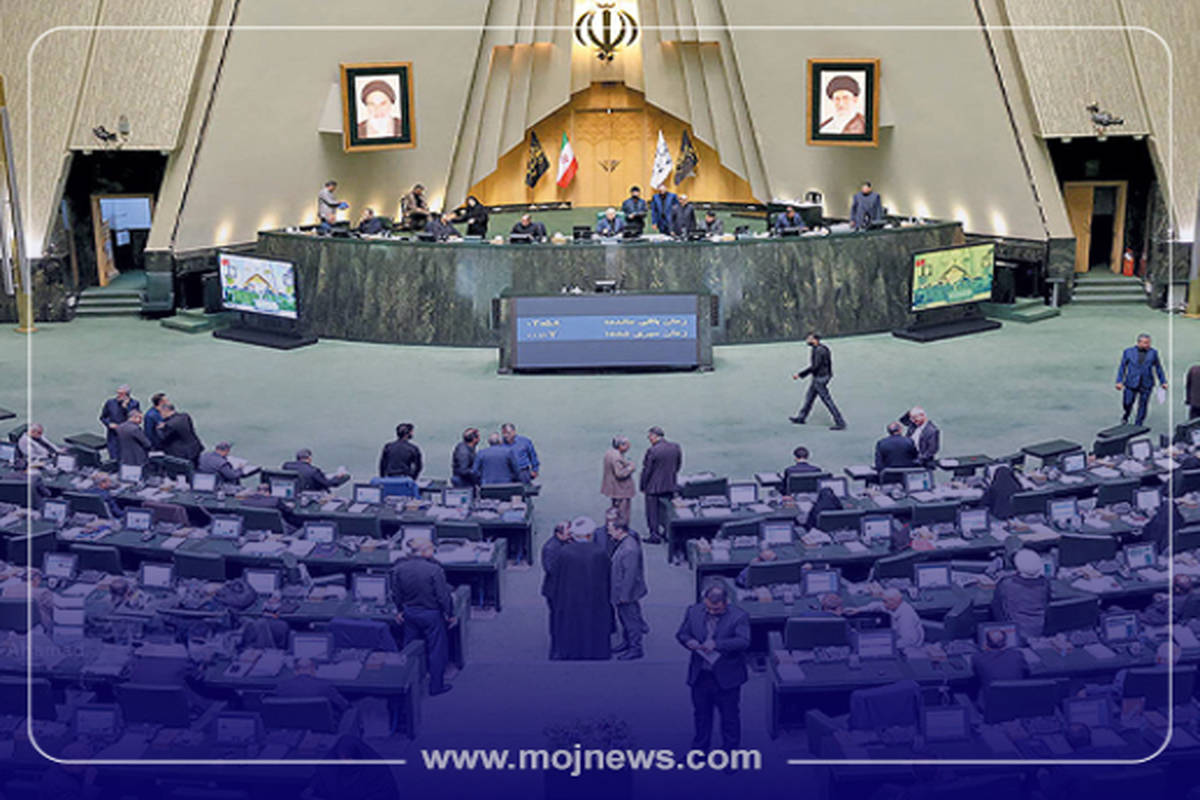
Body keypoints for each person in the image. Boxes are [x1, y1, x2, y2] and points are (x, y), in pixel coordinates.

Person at [676, 582, 751, 753]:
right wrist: (688, 641)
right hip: (701, 675)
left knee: (729, 717)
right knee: (701, 715)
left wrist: (717, 644)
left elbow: (743, 641)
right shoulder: (693, 611)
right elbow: (682, 633)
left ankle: (730, 752)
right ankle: (700, 750)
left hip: (727, 677)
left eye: (716, 609)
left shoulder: (739, 616)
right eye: (708, 608)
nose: (711, 612)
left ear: (726, 603)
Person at [388, 536, 454, 695]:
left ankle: (406, 684)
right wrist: (450, 614)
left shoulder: (398, 568)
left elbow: (396, 594)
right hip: (431, 614)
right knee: (436, 650)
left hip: (410, 613)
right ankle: (436, 686)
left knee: (409, 649)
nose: (434, 550)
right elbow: (442, 596)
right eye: (431, 548)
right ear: (423, 552)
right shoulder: (434, 570)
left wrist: (400, 610)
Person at [547, 523, 612, 659]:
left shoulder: (565, 552)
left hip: (570, 596)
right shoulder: (599, 552)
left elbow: (556, 573)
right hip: (594, 595)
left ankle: (569, 651)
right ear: (590, 535)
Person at [790, 332, 847, 430]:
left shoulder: (820, 351)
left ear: (815, 340)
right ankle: (801, 417)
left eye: (809, 339)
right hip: (819, 377)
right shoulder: (818, 349)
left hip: (820, 378)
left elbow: (815, 366)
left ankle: (840, 422)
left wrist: (800, 374)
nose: (807, 340)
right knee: (809, 398)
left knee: (827, 401)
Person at [992, 548, 1051, 639]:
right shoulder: (1045, 584)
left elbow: (996, 608)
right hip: (1038, 631)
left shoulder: (1007, 584)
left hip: (1014, 634)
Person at [610, 522, 648, 660]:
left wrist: (624, 595)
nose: (609, 532)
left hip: (626, 594)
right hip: (622, 592)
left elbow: (630, 575)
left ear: (620, 530)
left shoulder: (629, 549)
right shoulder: (625, 544)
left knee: (631, 621)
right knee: (625, 619)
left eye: (611, 530)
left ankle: (635, 648)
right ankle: (627, 642)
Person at [640, 426, 682, 546]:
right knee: (668, 511)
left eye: (650, 436)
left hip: (653, 487)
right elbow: (678, 465)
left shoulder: (652, 451)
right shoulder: (675, 447)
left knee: (652, 512)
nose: (649, 438)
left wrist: (643, 485)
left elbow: (647, 470)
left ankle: (655, 535)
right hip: (670, 484)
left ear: (655, 436)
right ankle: (667, 533)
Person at [1115, 333, 1167, 425]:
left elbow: (1158, 367)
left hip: (1146, 383)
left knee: (1143, 405)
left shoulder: (1153, 353)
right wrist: (1119, 381)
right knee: (1127, 402)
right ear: (1139, 343)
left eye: (1149, 343)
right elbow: (1122, 367)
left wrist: (1163, 381)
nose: (1148, 345)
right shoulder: (1128, 352)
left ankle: (1139, 423)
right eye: (1145, 343)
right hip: (1131, 382)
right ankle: (1126, 414)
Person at [848, 588, 924, 648]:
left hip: (911, 647)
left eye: (885, 601)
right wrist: (858, 610)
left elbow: (908, 641)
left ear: (895, 601)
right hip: (898, 639)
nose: (884, 604)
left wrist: (884, 646)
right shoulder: (894, 606)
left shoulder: (906, 617)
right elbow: (877, 606)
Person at [541, 521, 573, 658]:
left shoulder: (567, 543)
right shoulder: (551, 548)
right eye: (568, 533)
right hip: (555, 591)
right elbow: (551, 569)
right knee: (557, 620)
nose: (571, 535)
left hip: (565, 589)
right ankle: (556, 650)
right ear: (559, 533)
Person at [275, 657, 350, 715]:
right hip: (322, 727)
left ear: (295, 672)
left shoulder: (281, 687)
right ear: (313, 670)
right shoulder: (325, 686)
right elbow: (344, 706)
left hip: (291, 727)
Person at [971, 627, 1027, 692]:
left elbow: (976, 674)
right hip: (1017, 696)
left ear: (987, 643)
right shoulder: (1017, 655)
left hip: (990, 697)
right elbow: (1026, 672)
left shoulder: (977, 658)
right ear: (1005, 642)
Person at [601, 435, 637, 526]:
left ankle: (614, 528)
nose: (629, 447)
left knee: (615, 511)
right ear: (621, 445)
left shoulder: (610, 453)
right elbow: (620, 474)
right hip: (621, 490)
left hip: (614, 489)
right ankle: (622, 529)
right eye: (627, 445)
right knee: (623, 513)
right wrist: (630, 468)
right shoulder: (617, 457)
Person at [100, 384, 140, 460]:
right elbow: (103, 417)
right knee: (114, 456)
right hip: (113, 434)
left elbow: (136, 419)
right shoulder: (110, 403)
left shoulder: (134, 404)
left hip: (127, 435)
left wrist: (126, 408)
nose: (118, 396)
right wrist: (109, 424)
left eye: (121, 394)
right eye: (118, 393)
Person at [282, 448, 349, 493]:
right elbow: (329, 483)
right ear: (309, 458)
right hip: (311, 495)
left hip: (294, 493)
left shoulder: (286, 466)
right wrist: (339, 477)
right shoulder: (313, 471)